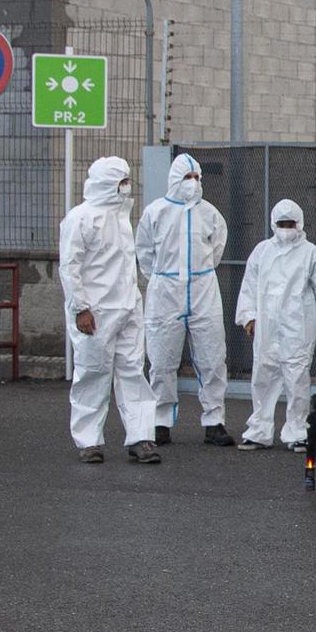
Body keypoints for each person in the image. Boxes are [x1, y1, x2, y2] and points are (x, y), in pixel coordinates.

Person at [59, 156, 159, 464]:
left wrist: (133, 302)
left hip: (128, 307)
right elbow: (70, 266)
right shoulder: (80, 218)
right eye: (122, 181)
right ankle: (89, 441)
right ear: (107, 184)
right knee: (92, 374)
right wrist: (80, 308)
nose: (128, 187)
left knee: (132, 372)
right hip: (96, 312)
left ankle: (141, 437)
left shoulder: (121, 217)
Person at [135, 153, 233, 447]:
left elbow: (216, 249)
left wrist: (196, 273)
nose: (193, 183)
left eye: (197, 177)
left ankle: (214, 421)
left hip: (203, 288)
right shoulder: (155, 212)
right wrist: (164, 277)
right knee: (162, 359)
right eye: (187, 178)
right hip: (165, 290)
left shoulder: (210, 214)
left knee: (212, 358)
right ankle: (161, 420)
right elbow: (144, 253)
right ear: (175, 180)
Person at [236, 201, 316, 452]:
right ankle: (259, 430)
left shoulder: (310, 253)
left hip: (298, 326)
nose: (286, 229)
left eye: (290, 224)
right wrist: (249, 317)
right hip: (267, 326)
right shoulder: (262, 251)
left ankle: (298, 431)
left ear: (300, 224)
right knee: (263, 374)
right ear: (273, 224)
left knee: (297, 378)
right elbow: (249, 285)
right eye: (282, 224)